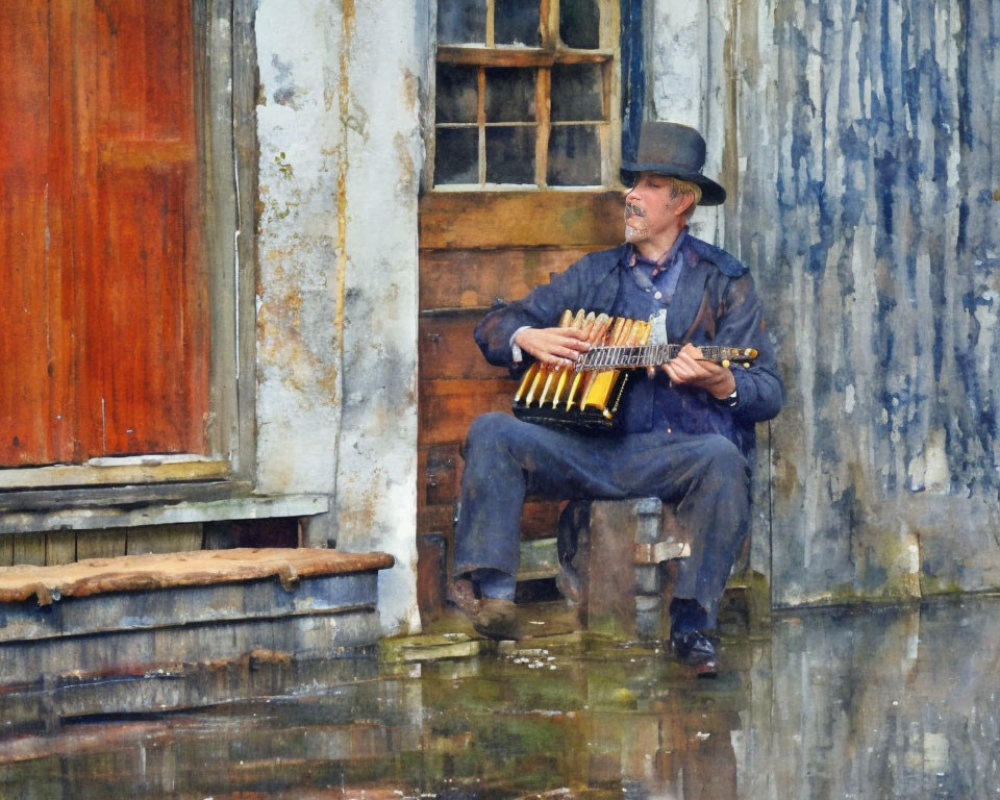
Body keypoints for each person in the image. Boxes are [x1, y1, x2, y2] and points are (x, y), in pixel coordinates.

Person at [450, 121, 785, 673]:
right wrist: (525, 337)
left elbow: (768, 391)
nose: (631, 195)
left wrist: (721, 381)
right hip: (588, 449)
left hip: (676, 454)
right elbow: (496, 324)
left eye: (649, 184)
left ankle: (694, 624)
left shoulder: (727, 283)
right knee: (493, 431)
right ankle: (494, 597)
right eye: (632, 183)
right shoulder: (595, 274)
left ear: (682, 201)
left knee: (725, 460)